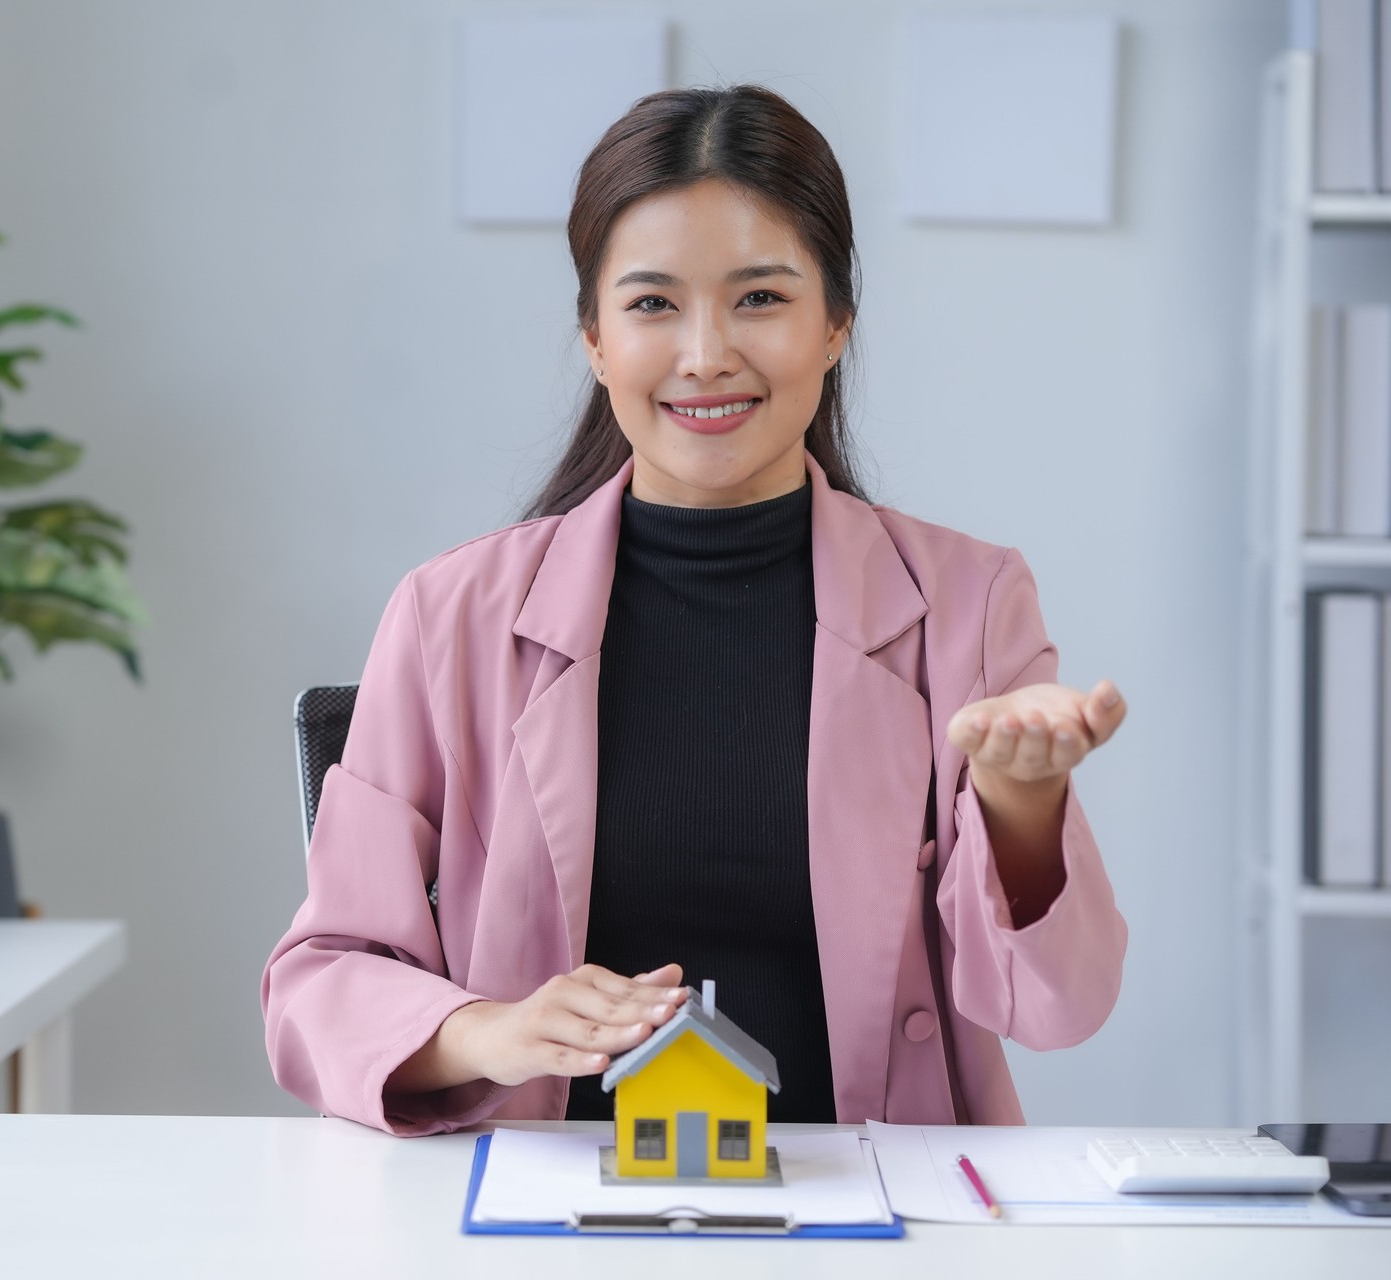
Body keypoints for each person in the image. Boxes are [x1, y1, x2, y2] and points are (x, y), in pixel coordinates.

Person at [261, 84, 1128, 1136]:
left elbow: (1059, 1005)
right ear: (593, 338)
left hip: (874, 1210)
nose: (706, 352)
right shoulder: (452, 614)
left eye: (760, 298)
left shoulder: (969, 602)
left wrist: (1022, 814)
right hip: (547, 1209)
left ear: (835, 323)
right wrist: (488, 1026)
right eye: (652, 303)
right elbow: (320, 982)